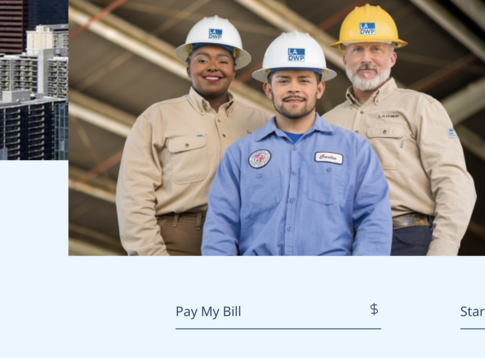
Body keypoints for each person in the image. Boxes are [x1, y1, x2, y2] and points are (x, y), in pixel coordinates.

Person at [201, 31, 391, 256]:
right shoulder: (240, 154)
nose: (294, 88)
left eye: (304, 80)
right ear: (268, 90)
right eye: (283, 81)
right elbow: (220, 227)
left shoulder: (354, 149)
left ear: (319, 89)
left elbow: (374, 221)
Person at [323, 4, 477, 256]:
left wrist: (443, 250)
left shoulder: (420, 107)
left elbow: (453, 181)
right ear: (345, 59)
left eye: (376, 49)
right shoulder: (326, 122)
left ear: (392, 58)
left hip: (405, 240)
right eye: (357, 49)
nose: (366, 58)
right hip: (342, 245)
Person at [115, 16, 270, 256]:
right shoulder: (157, 118)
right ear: (188, 69)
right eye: (202, 59)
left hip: (245, 243)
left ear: (233, 71)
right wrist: (153, 257)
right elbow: (133, 197)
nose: (212, 66)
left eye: (223, 60)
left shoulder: (262, 123)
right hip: (177, 245)